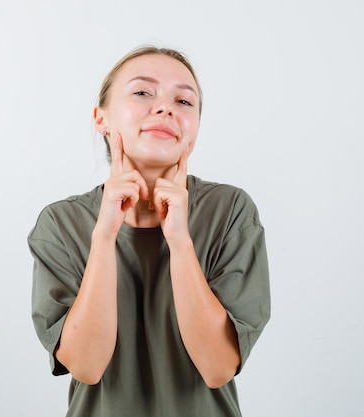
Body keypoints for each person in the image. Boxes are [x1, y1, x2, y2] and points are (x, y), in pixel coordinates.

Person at [27, 45, 270, 417]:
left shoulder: (231, 211)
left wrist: (179, 240)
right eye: (143, 92)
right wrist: (104, 236)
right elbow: (87, 366)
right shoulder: (61, 223)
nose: (166, 108)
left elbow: (218, 367)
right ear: (101, 118)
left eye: (185, 101)